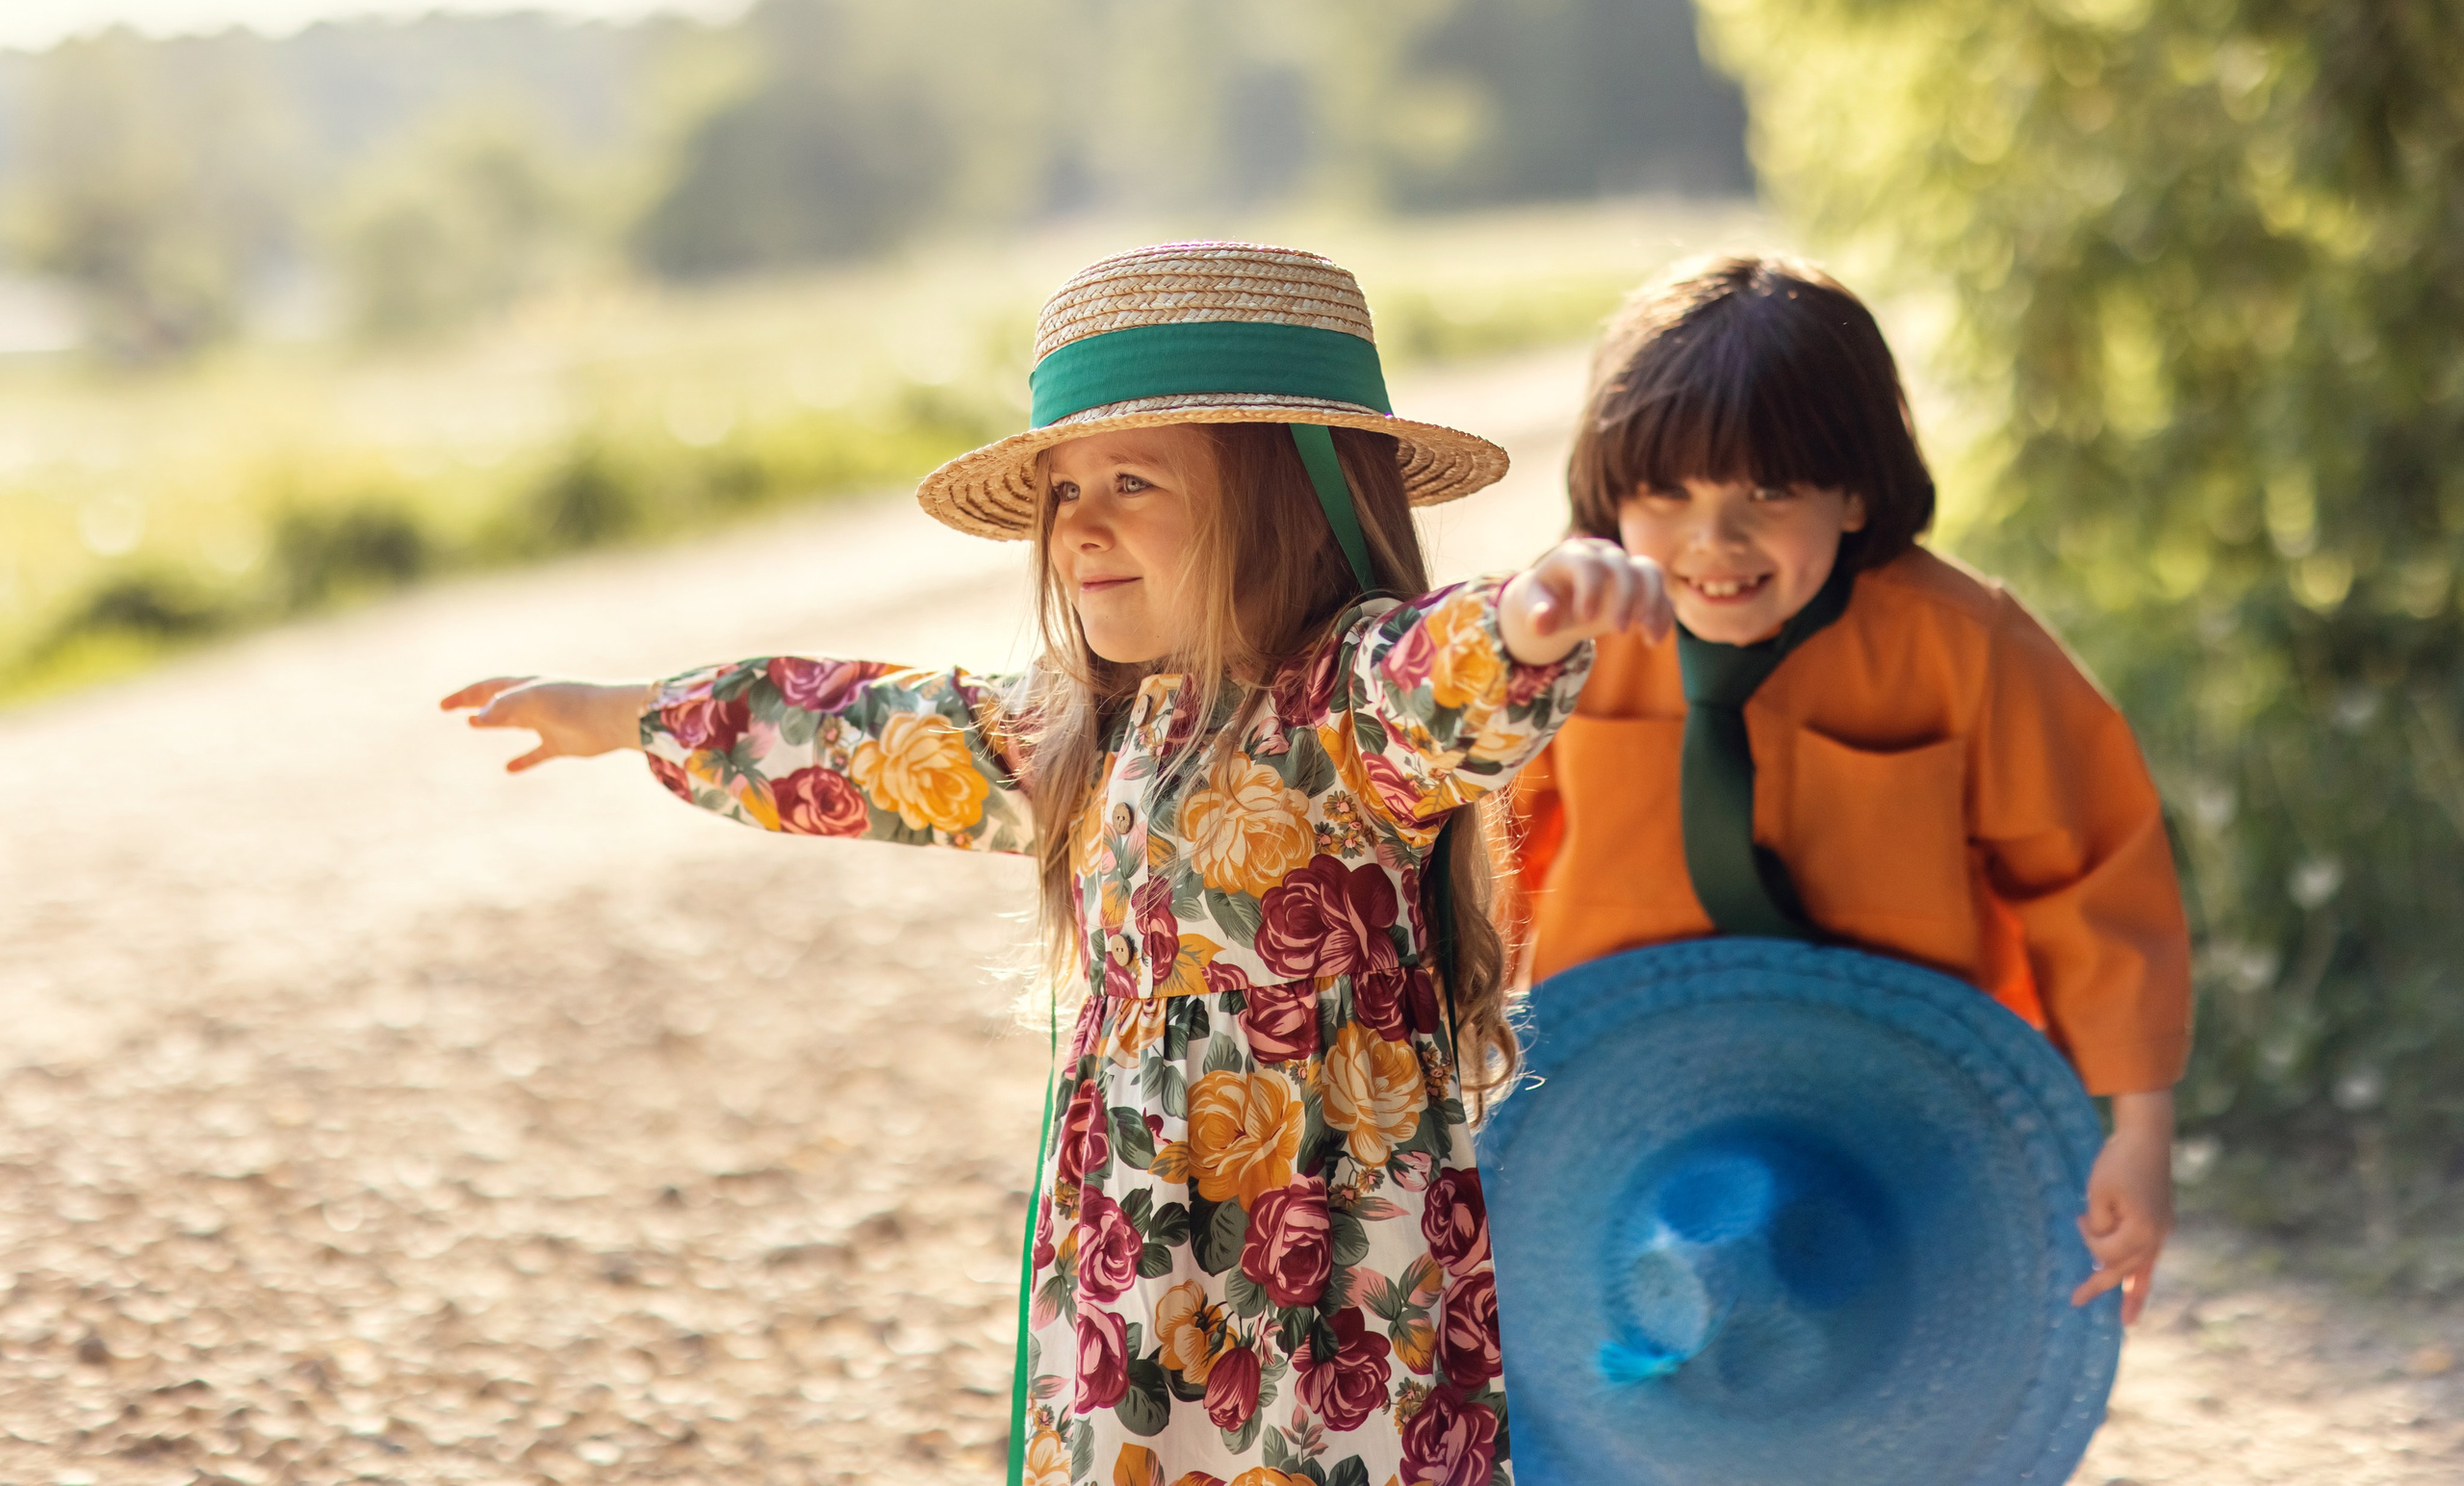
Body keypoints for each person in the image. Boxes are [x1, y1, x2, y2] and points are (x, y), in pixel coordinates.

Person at [443, 243, 1670, 1486]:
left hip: (1341, 1275)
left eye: (1131, 478)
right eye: (1062, 490)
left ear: (1296, 501)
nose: (1079, 526)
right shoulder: (1079, 729)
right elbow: (861, 731)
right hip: (1140, 1273)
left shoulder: (1340, 709)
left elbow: (1438, 672)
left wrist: (1529, 618)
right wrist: (627, 713)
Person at [1507, 253, 2191, 1326]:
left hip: (1900, 1117)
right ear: (1610, 494)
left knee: (1875, 1368)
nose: (1713, 541)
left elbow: (2092, 875)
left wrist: (2139, 1133)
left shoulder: (1966, 650)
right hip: (1628, 1116)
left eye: (1767, 492)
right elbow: (1455, 853)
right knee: (1655, 1378)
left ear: (1855, 488)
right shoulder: (1560, 636)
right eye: (1666, 494)